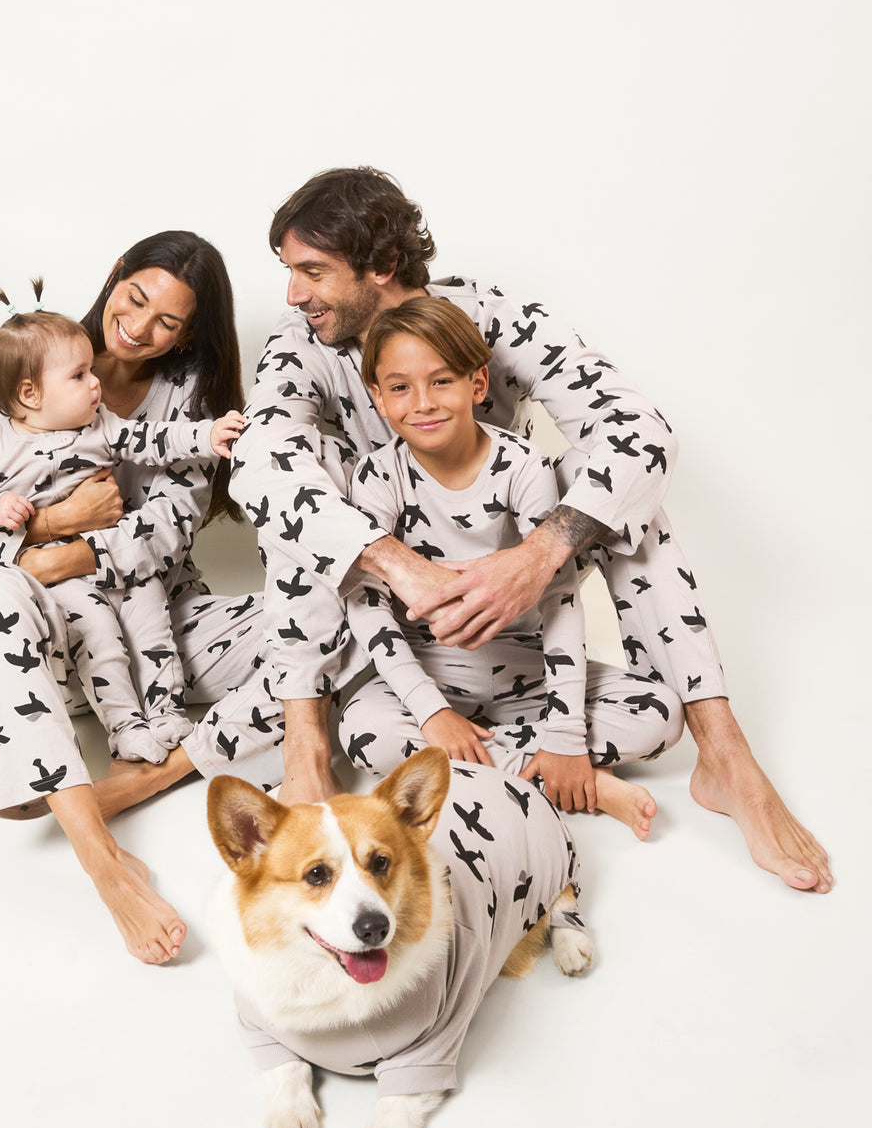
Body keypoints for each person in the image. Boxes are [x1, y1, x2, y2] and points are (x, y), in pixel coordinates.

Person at [230, 167, 832, 893]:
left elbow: (641, 433)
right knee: (291, 486)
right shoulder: (303, 342)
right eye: (289, 272)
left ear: (381, 266)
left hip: (515, 602)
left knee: (615, 487)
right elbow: (259, 463)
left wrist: (540, 554)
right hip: (396, 618)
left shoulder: (492, 316)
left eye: (312, 271)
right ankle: (309, 751)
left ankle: (725, 755)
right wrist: (396, 564)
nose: (293, 294)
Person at [0, 232, 288, 965]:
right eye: (136, 299)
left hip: (162, 632)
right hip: (57, 635)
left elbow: (171, 526)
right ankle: (102, 860)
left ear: (189, 334)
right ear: (115, 276)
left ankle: (152, 775)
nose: (142, 327)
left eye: (170, 322)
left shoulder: (185, 401)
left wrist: (85, 549)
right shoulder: (29, 367)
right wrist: (56, 525)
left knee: (324, 618)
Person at [340, 295, 683, 838]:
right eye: (400, 387)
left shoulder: (522, 464)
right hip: (431, 669)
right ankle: (577, 784)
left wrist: (565, 732)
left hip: (524, 669)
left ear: (478, 385)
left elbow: (559, 594)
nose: (423, 402)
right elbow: (366, 602)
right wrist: (432, 713)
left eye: (442, 381)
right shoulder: (377, 477)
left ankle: (534, 761)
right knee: (363, 733)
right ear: (378, 398)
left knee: (661, 713)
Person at [0, 278, 245, 765]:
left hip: (124, 567)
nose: (94, 383)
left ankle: (165, 712)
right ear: (29, 394)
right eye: (80, 376)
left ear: (187, 333)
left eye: (168, 321)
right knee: (100, 634)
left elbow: (154, 441)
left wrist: (208, 434)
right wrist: (18, 517)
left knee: (151, 625)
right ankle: (124, 725)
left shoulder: (100, 422)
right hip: (63, 589)